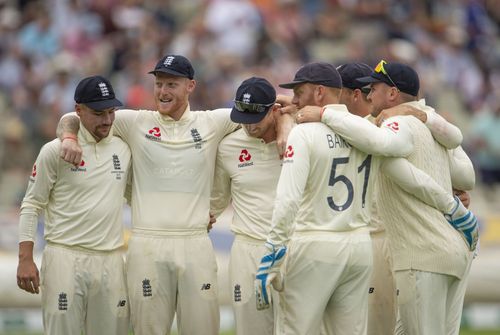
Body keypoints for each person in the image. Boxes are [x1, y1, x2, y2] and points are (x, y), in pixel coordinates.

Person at [56, 55, 290, 335]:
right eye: (158, 84)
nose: (163, 91)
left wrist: (286, 126)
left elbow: (274, 105)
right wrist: (69, 138)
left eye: (171, 84)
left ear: (190, 86)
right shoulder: (134, 122)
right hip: (147, 243)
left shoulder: (213, 122)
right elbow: (72, 117)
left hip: (195, 242)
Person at [305, 60, 477, 335]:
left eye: (373, 89)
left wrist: (451, 205)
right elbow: (460, 166)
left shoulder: (394, 125)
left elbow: (459, 173)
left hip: (415, 247)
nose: (369, 94)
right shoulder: (411, 121)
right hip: (437, 245)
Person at [16, 75, 131, 335]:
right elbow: (32, 204)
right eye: (99, 113)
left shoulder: (123, 145)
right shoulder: (54, 150)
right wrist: (25, 259)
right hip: (64, 258)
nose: (107, 120)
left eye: (112, 112)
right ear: (78, 110)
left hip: (110, 259)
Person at [210, 77, 282, 335]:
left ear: (274, 110)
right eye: (243, 118)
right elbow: (216, 200)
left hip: (292, 246)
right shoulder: (229, 146)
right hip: (247, 249)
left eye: (256, 119)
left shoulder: (297, 139)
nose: (249, 127)